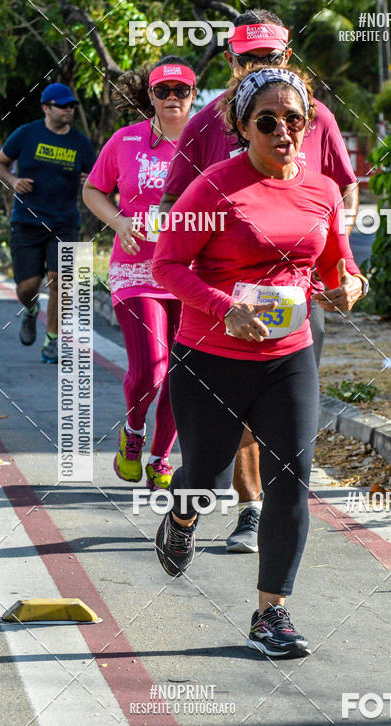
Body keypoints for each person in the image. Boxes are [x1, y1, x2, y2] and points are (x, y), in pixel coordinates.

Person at [152, 66, 367, 657]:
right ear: (243, 127)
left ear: (307, 124)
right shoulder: (213, 187)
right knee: (207, 476)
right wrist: (224, 308)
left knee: (292, 480)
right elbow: (165, 266)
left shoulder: (321, 190)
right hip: (211, 356)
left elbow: (334, 266)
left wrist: (348, 285)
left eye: (294, 120)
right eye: (267, 121)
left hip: (288, 358)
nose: (283, 131)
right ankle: (182, 518)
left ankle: (272, 612)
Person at [83, 57, 197, 489]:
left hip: (191, 273)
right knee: (152, 368)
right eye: (162, 91)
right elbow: (94, 189)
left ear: (193, 94)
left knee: (181, 371)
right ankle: (133, 434)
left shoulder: (207, 144)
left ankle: (161, 458)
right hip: (136, 271)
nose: (171, 99)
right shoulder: (126, 140)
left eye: (180, 91)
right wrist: (119, 222)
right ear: (149, 95)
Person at [0, 83, 96, 363]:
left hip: (64, 222)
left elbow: (97, 177)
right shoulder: (26, 134)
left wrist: (91, 182)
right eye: (62, 105)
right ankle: (29, 311)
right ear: (46, 108)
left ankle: (52, 339)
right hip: (27, 221)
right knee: (28, 287)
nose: (69, 110)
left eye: (71, 105)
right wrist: (13, 181)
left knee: (59, 280)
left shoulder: (80, 144)